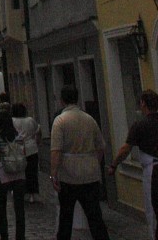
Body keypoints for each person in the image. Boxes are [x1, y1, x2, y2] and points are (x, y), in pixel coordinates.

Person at [108, 88, 158, 240]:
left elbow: (126, 149)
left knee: (154, 210)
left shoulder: (140, 125)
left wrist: (114, 165)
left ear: (143, 104)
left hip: (154, 171)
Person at [50, 84, 110, 240]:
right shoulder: (89, 119)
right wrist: (93, 163)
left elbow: (56, 150)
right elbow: (101, 146)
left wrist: (53, 174)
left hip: (68, 176)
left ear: (62, 100)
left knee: (66, 217)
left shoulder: (60, 121)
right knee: (95, 217)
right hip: (90, 175)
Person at [0, 107, 27, 240]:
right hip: (19, 174)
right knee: (19, 209)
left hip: (3, 175)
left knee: (2, 207)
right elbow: (23, 153)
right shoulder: (19, 136)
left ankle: (4, 235)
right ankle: (20, 236)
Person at [11, 101, 42, 202]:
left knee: (20, 172)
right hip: (32, 148)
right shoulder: (30, 120)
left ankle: (24, 193)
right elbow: (38, 131)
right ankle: (34, 193)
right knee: (32, 172)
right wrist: (37, 142)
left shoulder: (12, 121)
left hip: (18, 150)